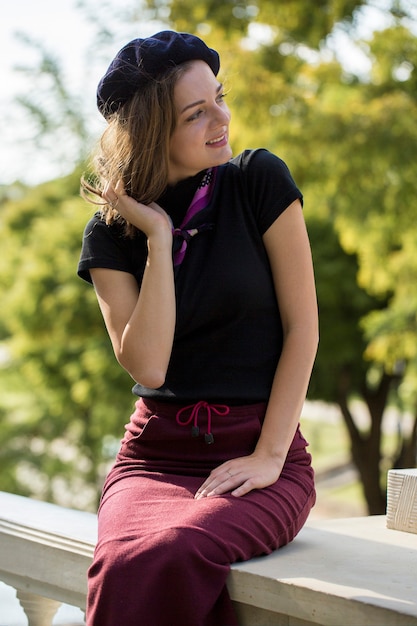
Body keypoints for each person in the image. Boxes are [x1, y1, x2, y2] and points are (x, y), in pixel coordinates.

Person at [77, 29, 318, 626]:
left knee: (174, 551)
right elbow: (149, 367)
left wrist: (269, 455)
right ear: (153, 132)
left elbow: (303, 328)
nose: (222, 117)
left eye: (219, 97)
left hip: (259, 451)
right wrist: (159, 238)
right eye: (196, 113)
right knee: (124, 562)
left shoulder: (259, 181)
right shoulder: (112, 235)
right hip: (153, 458)